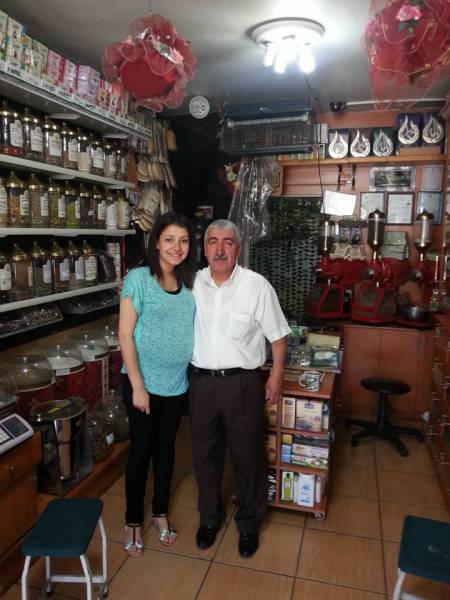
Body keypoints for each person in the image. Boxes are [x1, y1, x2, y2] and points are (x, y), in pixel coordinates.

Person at [190, 218, 290, 558]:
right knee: (205, 457)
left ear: (238, 248)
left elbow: (278, 336)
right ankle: (209, 518)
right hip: (201, 384)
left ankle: (248, 524)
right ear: (204, 249)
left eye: (227, 242)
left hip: (243, 384)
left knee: (248, 456)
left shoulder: (256, 285)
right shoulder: (191, 284)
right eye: (213, 242)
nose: (220, 249)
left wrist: (276, 375)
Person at [119, 212, 196, 557]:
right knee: (141, 451)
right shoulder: (138, 278)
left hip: (176, 385)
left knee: (166, 450)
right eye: (169, 240)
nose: (176, 247)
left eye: (183, 241)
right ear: (156, 243)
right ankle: (132, 520)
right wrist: (138, 385)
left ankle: (160, 512)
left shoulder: (188, 283)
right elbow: (125, 334)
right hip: (143, 385)